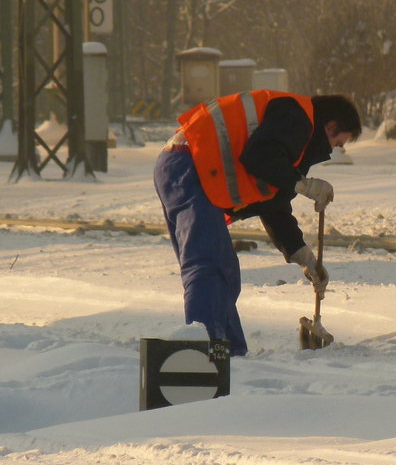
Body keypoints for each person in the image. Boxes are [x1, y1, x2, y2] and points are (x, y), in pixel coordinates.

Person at [154, 90, 362, 359]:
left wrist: (303, 255)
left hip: (190, 164)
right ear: (330, 126)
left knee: (226, 272)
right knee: (207, 265)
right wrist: (304, 185)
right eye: (336, 142)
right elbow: (260, 156)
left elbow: (274, 202)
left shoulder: (293, 135)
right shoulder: (296, 117)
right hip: (190, 162)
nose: (331, 150)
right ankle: (202, 356)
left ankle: (230, 354)